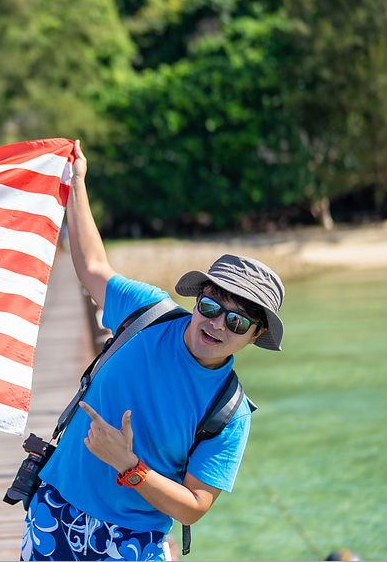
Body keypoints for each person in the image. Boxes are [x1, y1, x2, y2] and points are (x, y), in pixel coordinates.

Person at [22, 141, 286, 561]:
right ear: (197, 300)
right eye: (211, 307)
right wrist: (77, 184)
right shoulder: (148, 313)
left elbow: (195, 506)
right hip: (56, 509)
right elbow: (92, 266)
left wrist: (129, 465)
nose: (216, 324)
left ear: (254, 336)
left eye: (235, 321)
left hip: (134, 541)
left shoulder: (229, 411)